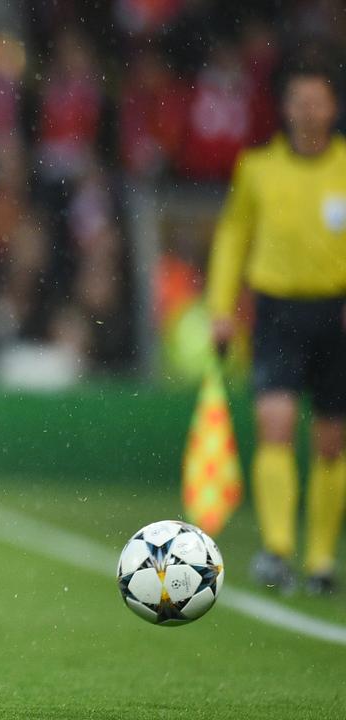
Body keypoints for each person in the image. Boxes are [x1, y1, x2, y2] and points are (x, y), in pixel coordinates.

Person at [208, 59, 346, 596]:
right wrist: (221, 307)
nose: (308, 111)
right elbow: (232, 237)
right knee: (276, 424)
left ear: (333, 107)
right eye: (299, 101)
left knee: (331, 443)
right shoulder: (257, 168)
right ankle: (277, 549)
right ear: (285, 109)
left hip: (336, 314)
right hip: (278, 313)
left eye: (318, 101)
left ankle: (320, 560)